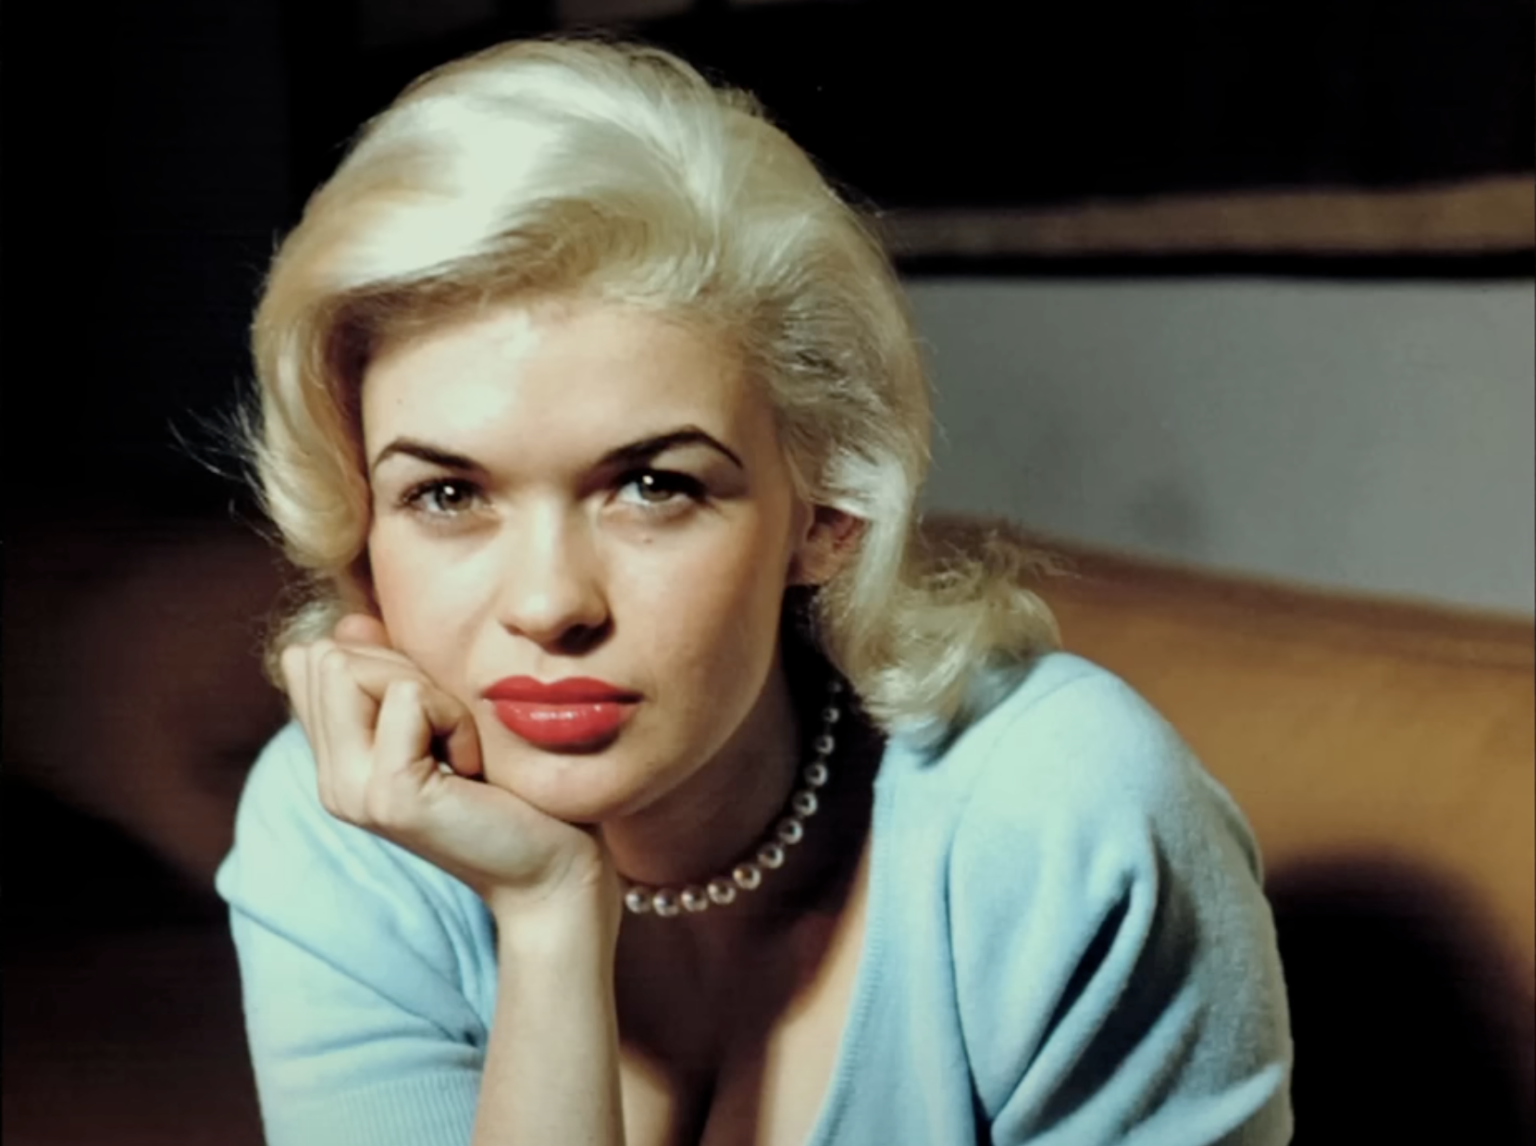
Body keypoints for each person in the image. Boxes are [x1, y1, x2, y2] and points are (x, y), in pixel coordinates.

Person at [215, 35, 1293, 1146]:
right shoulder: (345, 828)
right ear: (360, 529)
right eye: (446, 495)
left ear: (827, 510)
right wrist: (547, 917)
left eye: (653, 486)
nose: (548, 604)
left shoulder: (1064, 824)